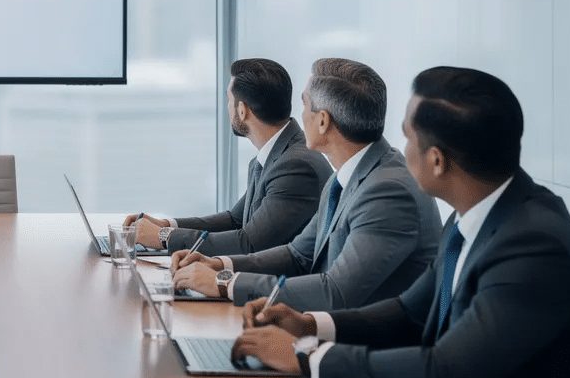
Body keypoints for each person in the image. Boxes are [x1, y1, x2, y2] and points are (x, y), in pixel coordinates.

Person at [233, 67, 570, 378]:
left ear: (436, 160)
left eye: (407, 136)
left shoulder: (534, 248)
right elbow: (411, 312)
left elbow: (445, 373)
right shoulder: (473, 215)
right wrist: (309, 324)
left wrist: (304, 355)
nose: (398, 148)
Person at [175, 58, 440, 311]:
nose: (299, 117)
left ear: (323, 121)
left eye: (304, 105)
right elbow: (298, 255)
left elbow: (335, 292)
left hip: (370, 347)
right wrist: (219, 265)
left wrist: (224, 283)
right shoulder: (348, 174)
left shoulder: (388, 192)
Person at [125, 58, 331, 255]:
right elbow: (235, 220)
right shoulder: (275, 155)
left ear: (242, 110)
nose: (228, 108)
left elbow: (249, 243)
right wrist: (167, 225)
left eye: (229, 100)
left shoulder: (296, 166)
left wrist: (163, 237)